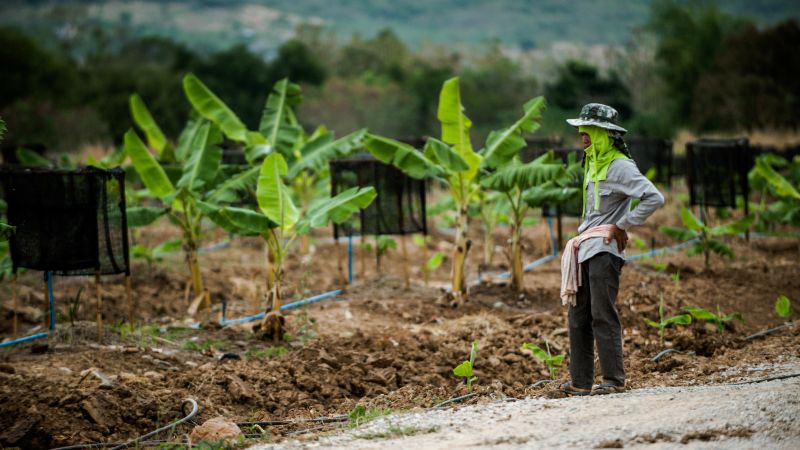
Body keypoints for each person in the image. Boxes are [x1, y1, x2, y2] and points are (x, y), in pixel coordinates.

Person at [559, 103, 664, 396]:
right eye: (581, 131)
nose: (582, 137)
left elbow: (654, 197)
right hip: (584, 247)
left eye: (588, 131)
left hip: (605, 250)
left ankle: (614, 380)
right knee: (578, 316)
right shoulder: (592, 163)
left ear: (604, 133)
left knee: (602, 314)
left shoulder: (620, 166)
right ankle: (580, 382)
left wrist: (624, 224)